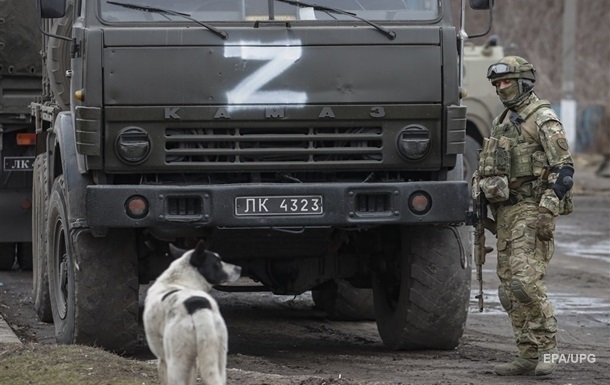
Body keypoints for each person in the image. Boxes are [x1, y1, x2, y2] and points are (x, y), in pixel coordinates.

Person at [473, 56, 574, 376]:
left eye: (507, 82)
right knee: (507, 289)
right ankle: (527, 353)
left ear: (524, 82)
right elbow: (490, 165)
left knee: (525, 283)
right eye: (498, 83)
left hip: (531, 209)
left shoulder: (542, 118)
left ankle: (547, 349)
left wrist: (547, 210)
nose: (502, 88)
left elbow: (564, 169)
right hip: (504, 212)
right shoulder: (502, 119)